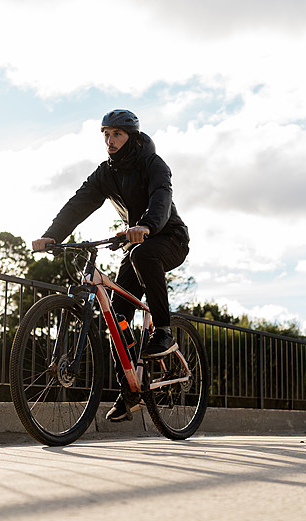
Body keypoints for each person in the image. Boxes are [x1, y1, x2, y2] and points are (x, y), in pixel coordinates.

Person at [32, 109, 190, 422]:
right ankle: (129, 391)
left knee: (142, 256)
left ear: (131, 136)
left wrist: (145, 227)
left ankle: (163, 330)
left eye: (116, 134)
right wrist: (52, 235)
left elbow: (161, 199)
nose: (110, 139)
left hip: (168, 238)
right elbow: (80, 202)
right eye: (106, 133)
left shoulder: (153, 164)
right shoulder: (106, 172)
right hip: (136, 244)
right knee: (117, 317)